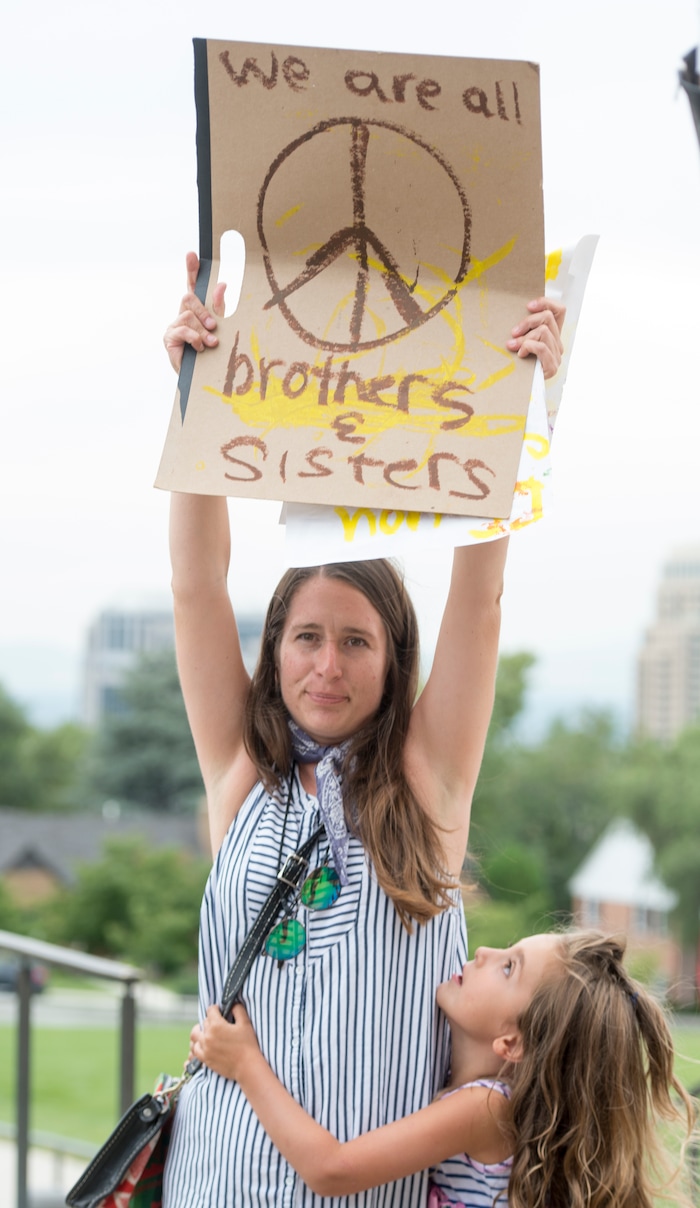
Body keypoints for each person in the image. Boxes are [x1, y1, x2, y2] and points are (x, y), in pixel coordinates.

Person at [160, 252, 566, 1208]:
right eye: (306, 638)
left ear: (395, 664)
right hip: (214, 1184)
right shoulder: (240, 770)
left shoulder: (430, 786)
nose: (327, 666)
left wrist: (518, 402)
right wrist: (195, 394)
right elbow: (193, 585)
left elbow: (482, 600)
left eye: (355, 642)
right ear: (275, 648)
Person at [190, 930, 696, 1208]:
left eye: (508, 967)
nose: (483, 950)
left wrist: (246, 1063)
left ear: (511, 1041)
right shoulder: (477, 1094)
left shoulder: (486, 1107)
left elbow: (332, 1169)